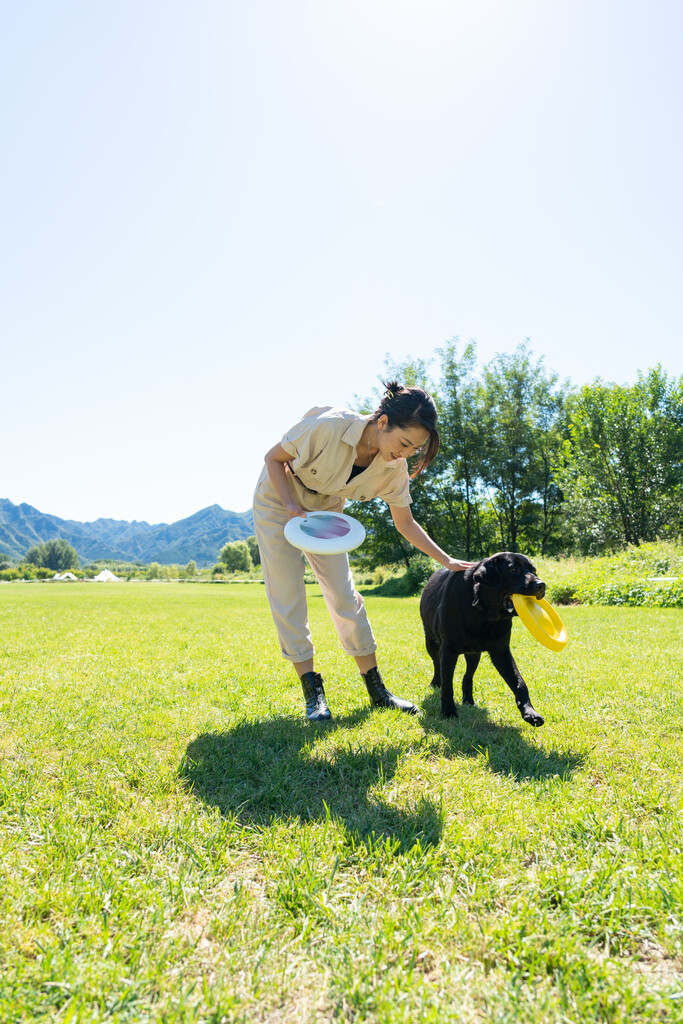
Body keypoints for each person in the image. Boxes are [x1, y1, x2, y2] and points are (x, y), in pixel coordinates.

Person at [252, 381, 473, 722]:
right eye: (403, 443)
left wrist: (445, 560)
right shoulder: (329, 427)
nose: (405, 454)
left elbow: (406, 522)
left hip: (325, 507)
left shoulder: (393, 468)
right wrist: (292, 507)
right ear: (382, 422)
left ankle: (377, 690)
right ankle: (313, 694)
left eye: (414, 449)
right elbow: (273, 458)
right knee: (287, 591)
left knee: (344, 594)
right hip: (279, 498)